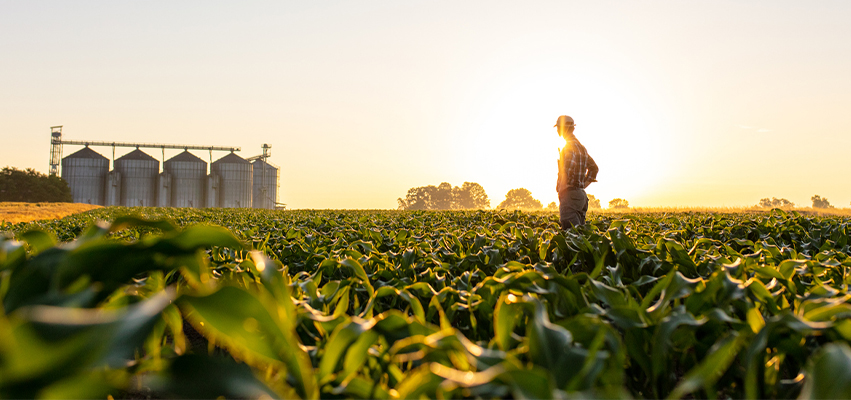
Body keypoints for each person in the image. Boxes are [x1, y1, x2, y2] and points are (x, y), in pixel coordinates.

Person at [555, 115, 598, 229]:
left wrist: (563, 189)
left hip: (569, 195)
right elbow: (594, 168)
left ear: (563, 129)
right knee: (580, 236)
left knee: (570, 235)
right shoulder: (581, 148)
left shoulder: (568, 147)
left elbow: (566, 170)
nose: (558, 130)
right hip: (581, 196)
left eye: (558, 128)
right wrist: (582, 185)